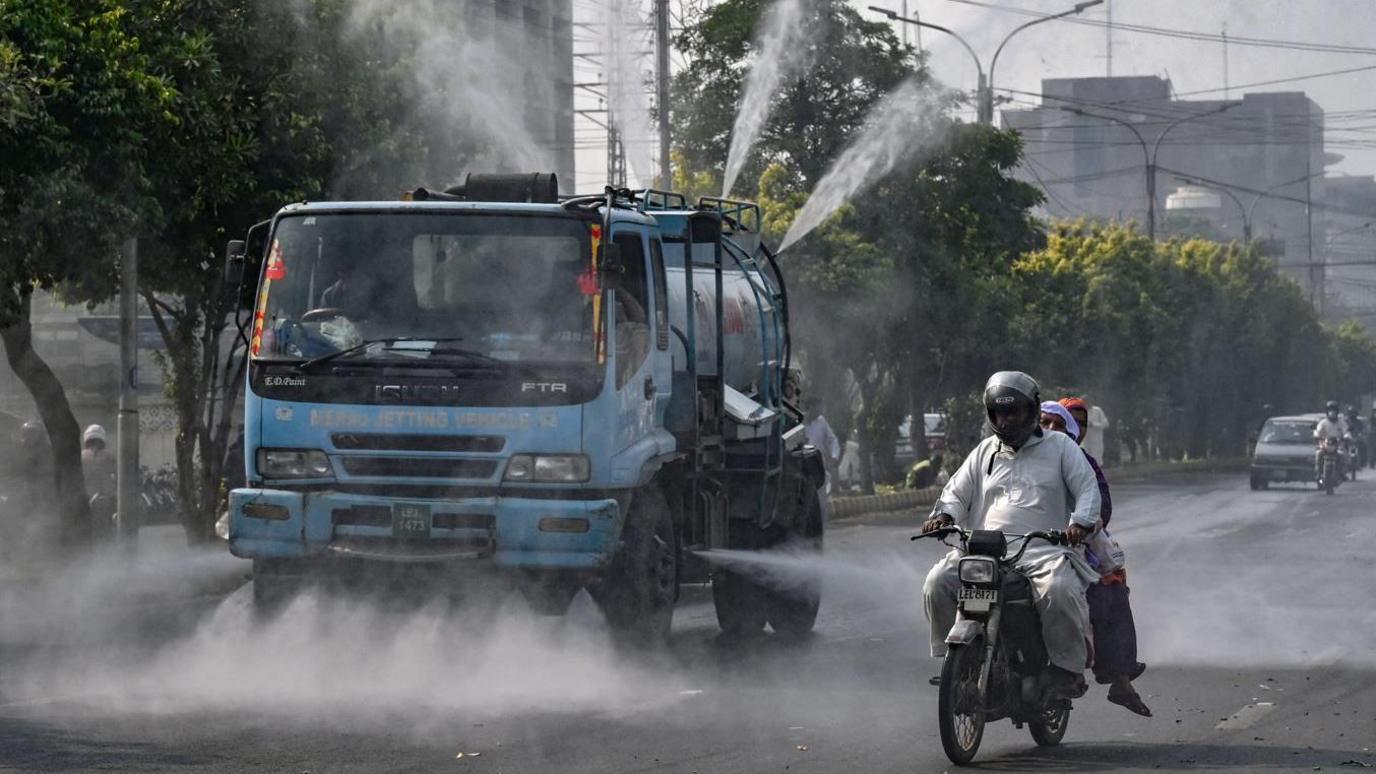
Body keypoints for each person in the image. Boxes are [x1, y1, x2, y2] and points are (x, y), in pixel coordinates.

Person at [921, 371, 1100, 704]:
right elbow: (956, 493)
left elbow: (1087, 489)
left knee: (1059, 590)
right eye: (998, 412)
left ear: (1031, 409)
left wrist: (1079, 523)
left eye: (1012, 411)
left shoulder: (1060, 446)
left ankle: (1066, 670)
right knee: (937, 582)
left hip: (1042, 550)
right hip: (983, 547)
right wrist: (943, 516)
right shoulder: (985, 451)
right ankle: (953, 660)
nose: (1005, 419)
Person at [1053, 398, 1151, 717]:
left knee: (1108, 591)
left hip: (1066, 547)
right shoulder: (1017, 457)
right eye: (1048, 423)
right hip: (1015, 544)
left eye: (1076, 424)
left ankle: (1119, 677)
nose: (1072, 429)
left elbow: (1100, 505)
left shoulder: (1084, 463)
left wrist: (1082, 525)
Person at [803, 397, 841, 493]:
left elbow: (832, 439)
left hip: (819, 465)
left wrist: (834, 456)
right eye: (818, 407)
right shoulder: (799, 422)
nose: (821, 410)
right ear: (811, 407)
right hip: (802, 467)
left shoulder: (821, 421)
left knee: (821, 498)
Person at [1314, 400, 1350, 480]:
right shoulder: (1323, 422)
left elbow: (1346, 431)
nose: (1332, 412)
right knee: (1318, 453)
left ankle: (1342, 473)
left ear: (1337, 412)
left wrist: (1346, 436)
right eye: (1330, 410)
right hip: (1325, 444)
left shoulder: (1341, 422)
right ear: (1327, 411)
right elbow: (1318, 431)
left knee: (1343, 455)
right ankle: (1319, 473)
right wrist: (1317, 436)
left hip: (1338, 444)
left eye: (1334, 410)